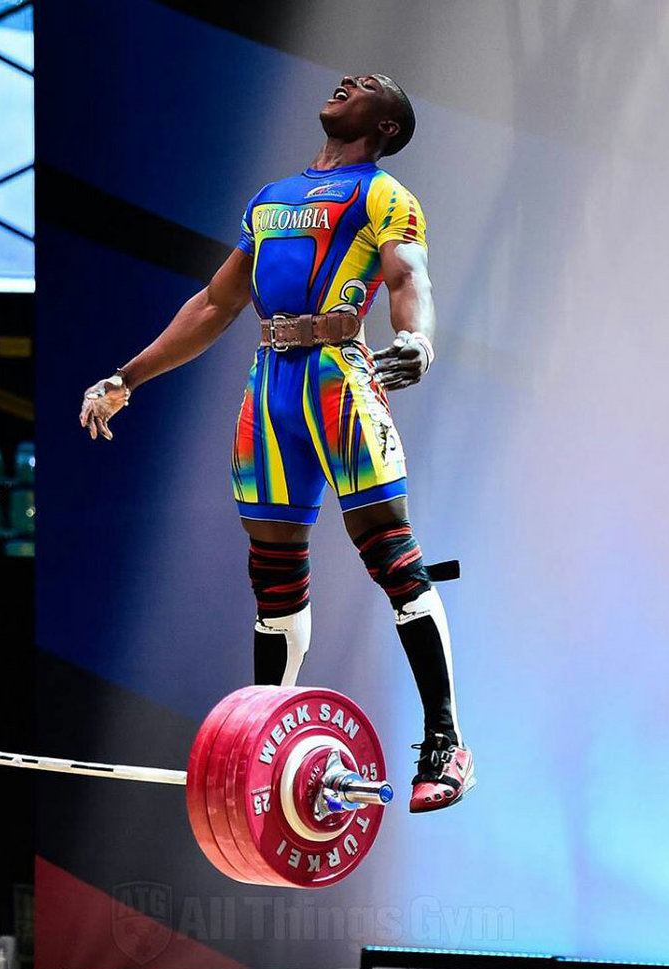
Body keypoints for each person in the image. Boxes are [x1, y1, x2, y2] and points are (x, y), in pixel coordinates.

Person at [80, 73, 474, 812]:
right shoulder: (270, 198)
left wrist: (418, 339)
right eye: (349, 80)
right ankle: (264, 742)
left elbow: (407, 277)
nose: (349, 82)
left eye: (369, 87)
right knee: (274, 574)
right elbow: (214, 303)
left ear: (386, 127)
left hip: (339, 381)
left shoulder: (384, 194)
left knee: (391, 556)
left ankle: (446, 742)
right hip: (270, 390)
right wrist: (127, 376)